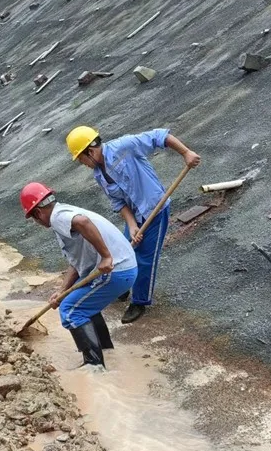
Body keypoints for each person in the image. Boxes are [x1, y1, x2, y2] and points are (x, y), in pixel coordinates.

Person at [65, 125, 201, 324]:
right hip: (135, 215)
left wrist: (186, 153)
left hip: (155, 208)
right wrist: (131, 225)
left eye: (81, 159)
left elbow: (159, 136)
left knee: (145, 258)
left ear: (90, 151)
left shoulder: (124, 146)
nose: (82, 163)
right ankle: (122, 285)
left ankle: (139, 301)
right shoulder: (99, 174)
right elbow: (118, 202)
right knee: (124, 251)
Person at [21, 182, 137, 368]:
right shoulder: (63, 213)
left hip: (116, 269)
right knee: (80, 303)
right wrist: (62, 291)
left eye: (34, 219)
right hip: (124, 267)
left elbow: (82, 222)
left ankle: (94, 366)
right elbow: (76, 264)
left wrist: (106, 256)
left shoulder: (58, 217)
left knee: (70, 311)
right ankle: (107, 351)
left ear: (38, 213)